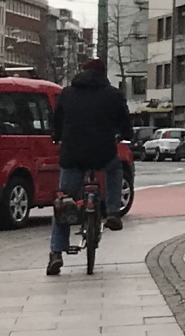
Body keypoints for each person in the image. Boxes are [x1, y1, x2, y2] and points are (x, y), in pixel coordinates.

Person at [48, 59, 131, 276]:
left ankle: (56, 252)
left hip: (73, 154)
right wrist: (126, 136)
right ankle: (113, 211)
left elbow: (57, 121)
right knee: (115, 169)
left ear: (82, 72)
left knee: (64, 201)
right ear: (103, 74)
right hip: (103, 152)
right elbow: (125, 123)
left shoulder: (67, 93)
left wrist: (57, 137)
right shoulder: (113, 94)